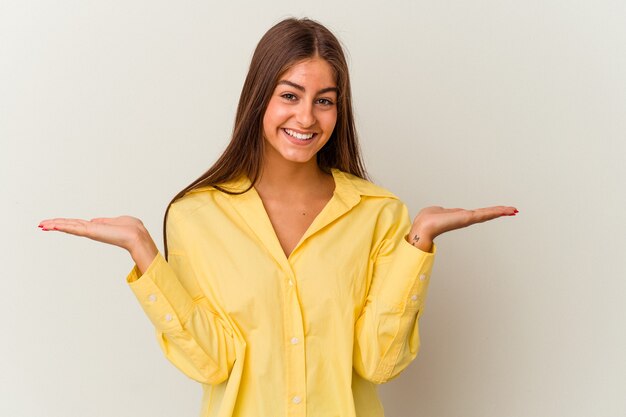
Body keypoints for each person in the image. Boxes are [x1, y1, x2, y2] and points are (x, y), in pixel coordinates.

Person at [39, 17, 517, 417]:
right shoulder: (196, 216)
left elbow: (378, 362)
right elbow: (212, 363)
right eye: (290, 95)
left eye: (324, 100)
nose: (306, 118)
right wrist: (143, 251)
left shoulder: (379, 213)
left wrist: (419, 242)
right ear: (259, 98)